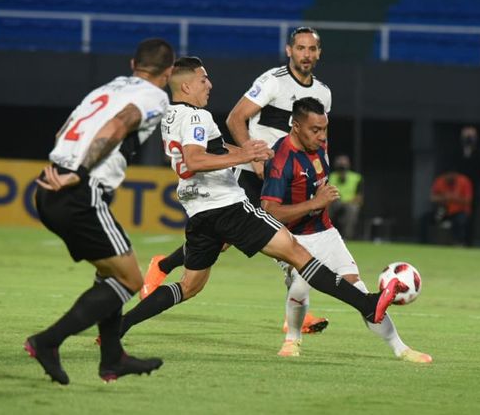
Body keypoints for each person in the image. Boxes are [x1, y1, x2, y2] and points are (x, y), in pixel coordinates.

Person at [116, 57, 401, 346]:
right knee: (296, 252)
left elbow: (203, 149)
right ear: (187, 85)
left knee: (189, 287)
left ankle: (120, 325)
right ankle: (367, 304)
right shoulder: (196, 117)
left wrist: (241, 148)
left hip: (200, 212)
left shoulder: (170, 115)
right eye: (204, 79)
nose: (209, 84)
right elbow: (195, 158)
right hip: (228, 206)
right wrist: (245, 156)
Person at [141, 26, 331, 334]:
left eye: (311, 49)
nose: (306, 54)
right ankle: (164, 266)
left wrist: (319, 172)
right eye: (300, 48)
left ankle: (295, 314)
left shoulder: (323, 93)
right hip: (258, 173)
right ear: (289, 50)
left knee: (283, 241)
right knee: (248, 241)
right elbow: (235, 118)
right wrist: (250, 156)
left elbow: (320, 136)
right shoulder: (273, 81)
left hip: (292, 177)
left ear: (319, 53)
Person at [24, 38, 175, 385]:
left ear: (132, 63)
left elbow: (64, 130)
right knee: (131, 280)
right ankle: (47, 342)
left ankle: (112, 358)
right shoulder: (154, 96)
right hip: (80, 192)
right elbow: (118, 126)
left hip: (50, 186)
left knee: (111, 271)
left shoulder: (105, 89)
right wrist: (78, 173)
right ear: (167, 73)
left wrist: (65, 167)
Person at [261, 97, 431, 361]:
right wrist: (315, 202)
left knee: (359, 291)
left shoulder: (319, 147)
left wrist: (317, 202)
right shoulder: (282, 159)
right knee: (300, 287)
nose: (321, 136)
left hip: (325, 232)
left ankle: (402, 349)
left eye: (324, 129)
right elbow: (269, 212)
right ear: (295, 127)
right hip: (291, 238)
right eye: (314, 130)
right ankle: (292, 340)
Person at [451, 126, 480, 246]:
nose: (468, 138)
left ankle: (468, 243)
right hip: (457, 189)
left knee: (470, 217)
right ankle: (456, 241)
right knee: (457, 216)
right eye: (466, 135)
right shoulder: (456, 152)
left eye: (471, 136)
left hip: (473, 189)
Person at [419, 171, 473, 245]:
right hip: (443, 211)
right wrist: (445, 197)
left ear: (455, 174)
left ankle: (459, 244)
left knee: (460, 221)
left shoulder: (463, 181)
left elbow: (468, 201)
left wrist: (454, 198)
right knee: (424, 218)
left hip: (459, 211)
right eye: (447, 174)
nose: (449, 177)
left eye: (452, 174)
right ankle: (423, 243)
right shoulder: (440, 180)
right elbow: (433, 198)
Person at [327, 155, 363, 240]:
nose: (342, 170)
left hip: (350, 203)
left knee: (353, 209)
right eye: (340, 168)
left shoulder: (356, 178)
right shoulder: (331, 176)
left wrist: (347, 202)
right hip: (334, 202)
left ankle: (347, 237)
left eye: (343, 168)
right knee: (325, 207)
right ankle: (325, 233)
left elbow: (359, 199)